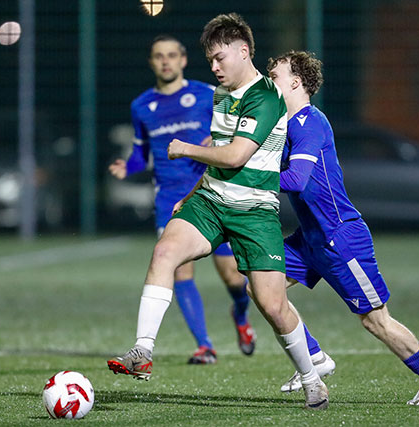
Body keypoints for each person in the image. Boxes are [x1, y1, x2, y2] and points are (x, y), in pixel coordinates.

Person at [108, 13, 329, 410]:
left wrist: (185, 147)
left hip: (254, 211)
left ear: (244, 52)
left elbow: (236, 154)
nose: (213, 67)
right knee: (165, 252)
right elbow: (219, 161)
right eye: (209, 59)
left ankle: (312, 376)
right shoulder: (221, 93)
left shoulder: (265, 96)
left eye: (219, 58)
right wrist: (192, 192)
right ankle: (142, 352)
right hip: (211, 200)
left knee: (272, 304)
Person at [267, 50, 419, 406]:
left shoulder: (309, 123)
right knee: (263, 286)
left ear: (295, 82)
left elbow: (295, 179)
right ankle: (316, 359)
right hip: (310, 240)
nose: (269, 83)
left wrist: (252, 175)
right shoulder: (285, 125)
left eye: (275, 76)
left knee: (375, 321)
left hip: (340, 238)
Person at [108, 34, 256, 364]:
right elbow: (140, 155)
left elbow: (236, 132)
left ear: (183, 60)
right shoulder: (142, 106)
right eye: (159, 56)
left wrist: (217, 139)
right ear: (152, 62)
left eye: (172, 55)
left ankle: (241, 317)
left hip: (214, 193)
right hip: (170, 200)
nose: (166, 61)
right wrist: (127, 166)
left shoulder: (207, 94)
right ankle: (205, 346)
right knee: (180, 271)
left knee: (233, 277)